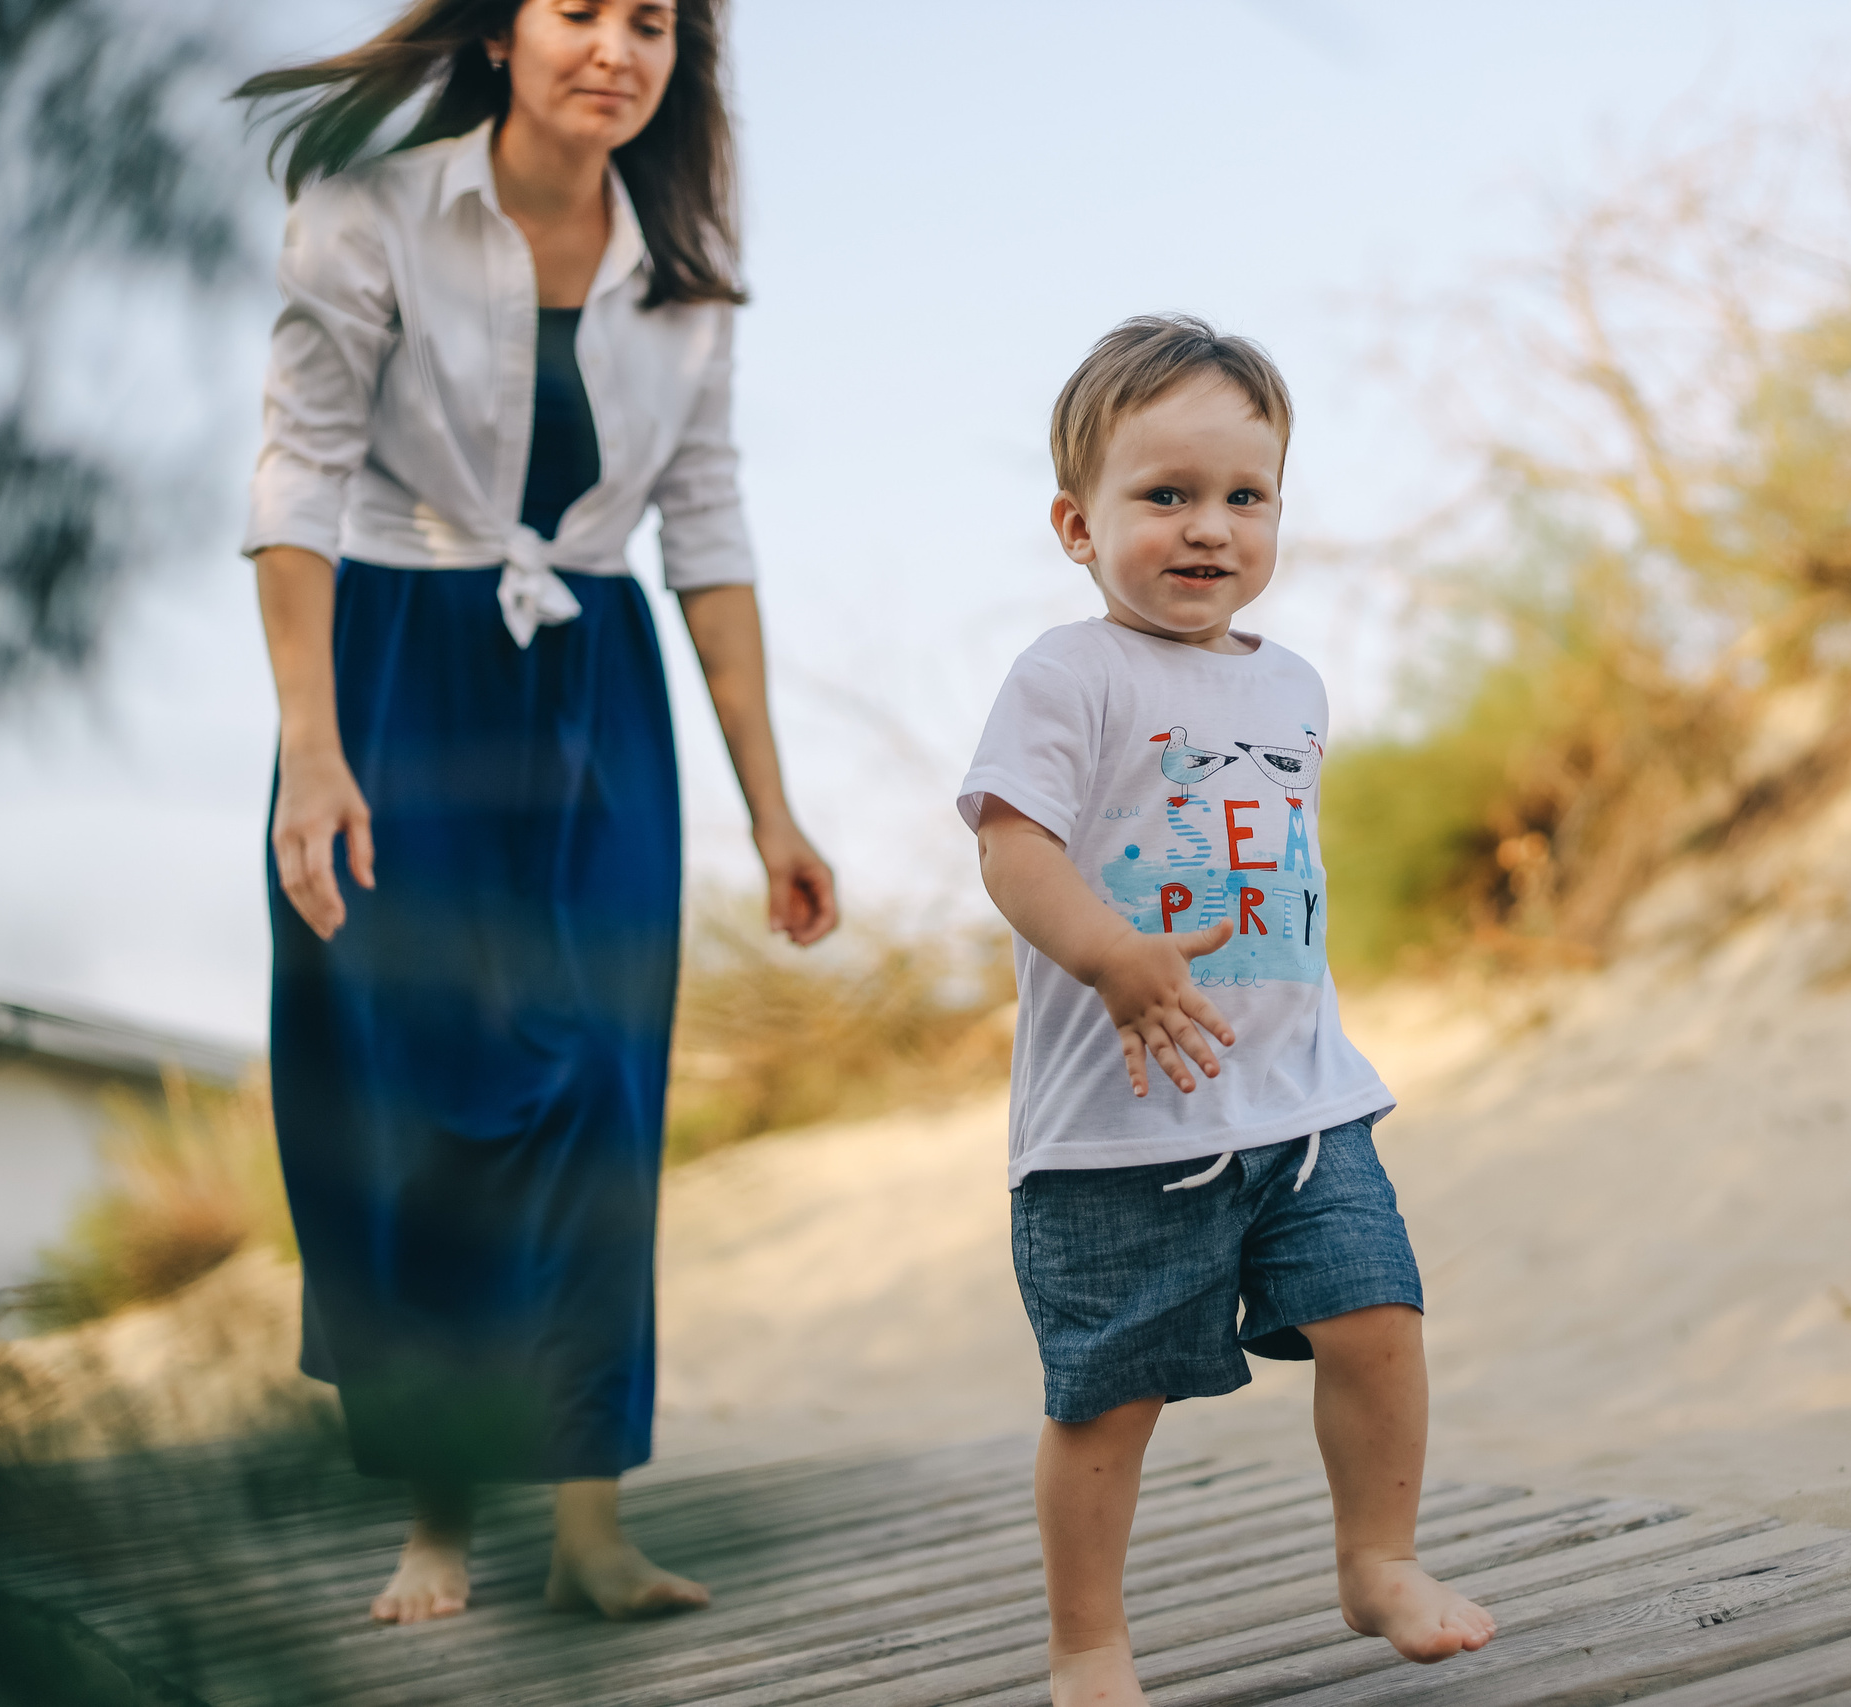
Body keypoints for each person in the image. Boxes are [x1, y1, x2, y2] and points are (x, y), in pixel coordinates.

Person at [234, 0, 837, 1624]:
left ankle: (589, 1523)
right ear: (503, 32)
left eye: (653, 23)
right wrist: (312, 747)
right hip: (391, 678)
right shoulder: (368, 210)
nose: (617, 48)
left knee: (598, 1090)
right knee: (418, 1089)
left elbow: (706, 533)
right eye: (581, 9)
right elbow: (295, 479)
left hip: (597, 695)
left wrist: (772, 811)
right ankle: (435, 1518)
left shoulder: (685, 280)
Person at [959, 316, 1498, 1706]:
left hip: (1306, 1104)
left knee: (1379, 1319)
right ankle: (1089, 1642)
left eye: (1243, 498)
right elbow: (1013, 846)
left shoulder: (1293, 682)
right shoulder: (1068, 674)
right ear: (1079, 524)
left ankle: (1375, 1559)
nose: (1208, 530)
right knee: (1104, 1401)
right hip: (1118, 1132)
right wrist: (1112, 955)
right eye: (1166, 497)